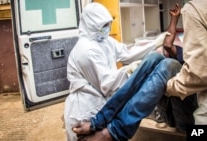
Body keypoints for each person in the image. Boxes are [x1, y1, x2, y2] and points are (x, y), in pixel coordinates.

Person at [63, 2, 180, 141]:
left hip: (104, 104)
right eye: (103, 26)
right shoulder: (86, 50)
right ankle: (106, 129)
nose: (107, 28)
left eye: (108, 24)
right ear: (91, 26)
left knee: (155, 57)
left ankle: (106, 129)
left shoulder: (105, 41)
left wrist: (154, 43)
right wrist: (130, 70)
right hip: (86, 107)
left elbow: (128, 53)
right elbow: (107, 84)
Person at [163, 0, 207, 130]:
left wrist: (167, 88)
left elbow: (198, 75)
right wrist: (174, 19)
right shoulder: (186, 52)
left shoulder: (197, 56)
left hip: (191, 93)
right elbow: (167, 44)